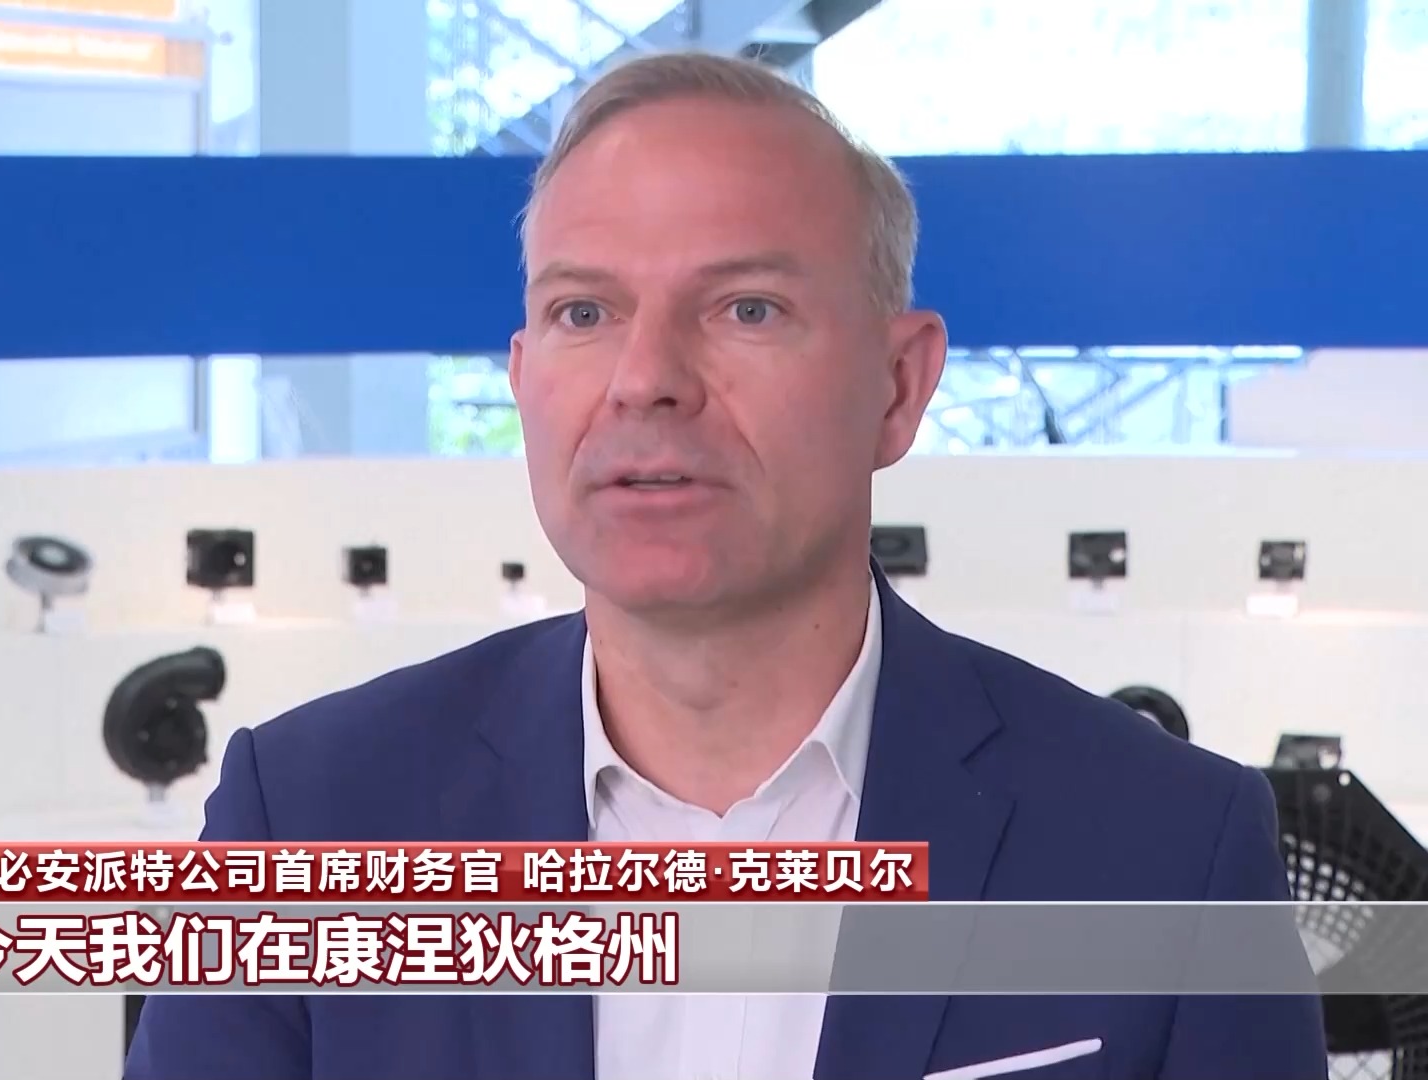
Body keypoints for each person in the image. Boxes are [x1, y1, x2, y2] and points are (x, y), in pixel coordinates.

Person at [126, 51, 1326, 1080]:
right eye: (584, 313)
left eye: (746, 309)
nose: (646, 378)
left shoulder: (1171, 847)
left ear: (898, 385)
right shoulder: (309, 821)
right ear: (522, 377)